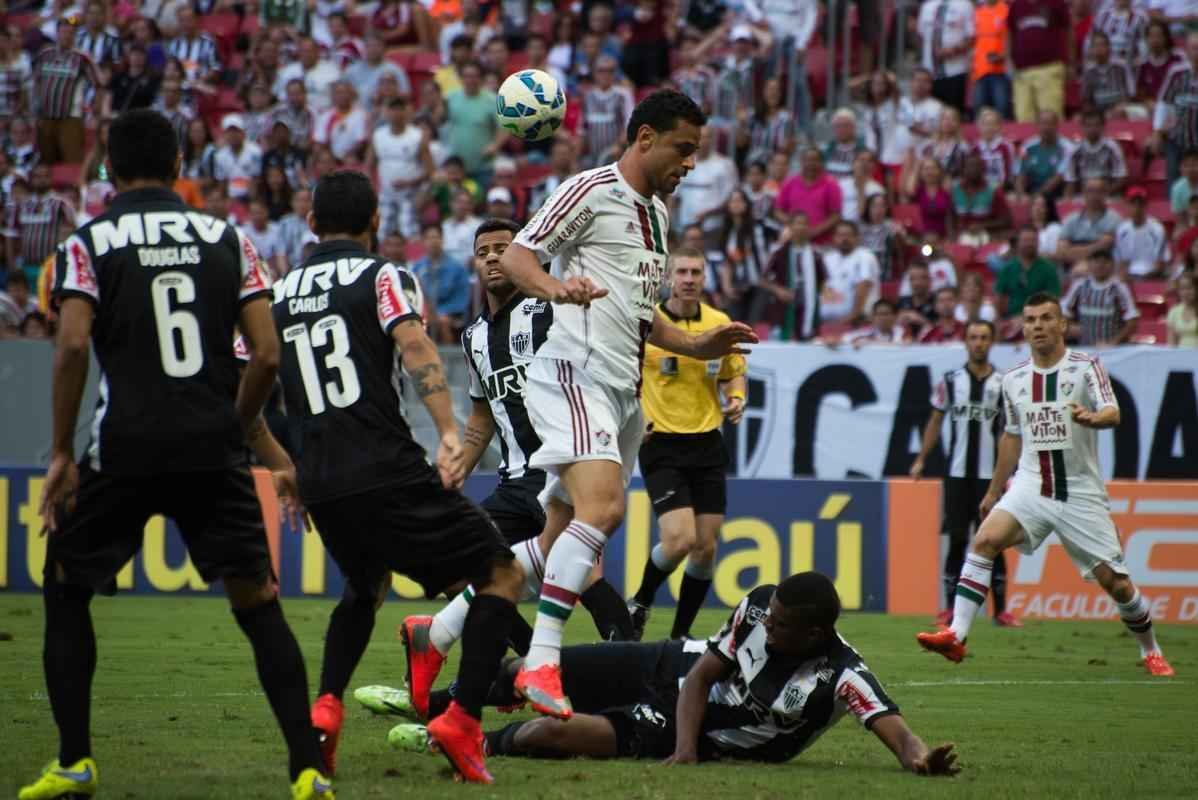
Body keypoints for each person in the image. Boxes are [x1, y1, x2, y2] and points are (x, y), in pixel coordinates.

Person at [22, 109, 333, 800]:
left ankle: (75, 760)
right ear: (176, 168)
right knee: (258, 603)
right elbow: (269, 353)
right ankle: (306, 769)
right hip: (211, 450)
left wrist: (61, 453)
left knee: (68, 589)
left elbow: (72, 345)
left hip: (123, 446)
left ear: (108, 165)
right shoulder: (229, 237)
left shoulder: (89, 241)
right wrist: (234, 422)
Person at [495, 89, 757, 719]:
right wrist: (559, 288)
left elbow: (641, 320)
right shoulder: (590, 189)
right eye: (682, 149)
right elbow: (516, 255)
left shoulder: (658, 217)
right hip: (574, 371)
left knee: (555, 537)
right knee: (605, 509)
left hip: (621, 393)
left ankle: (438, 633)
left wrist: (697, 342)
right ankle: (540, 661)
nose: (690, 163)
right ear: (644, 138)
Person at [271, 170, 525, 785]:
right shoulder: (382, 274)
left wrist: (287, 466)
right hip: (385, 467)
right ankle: (462, 719)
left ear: (311, 223)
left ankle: (328, 704)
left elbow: (257, 382)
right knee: (501, 572)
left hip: (321, 478)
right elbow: (414, 346)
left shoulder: (277, 293)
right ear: (375, 220)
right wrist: (445, 430)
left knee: (363, 586)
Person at [398, 218, 634, 724]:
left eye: (502, 249)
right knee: (468, 567)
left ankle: (628, 668)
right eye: (482, 250)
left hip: (561, 465)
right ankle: (520, 668)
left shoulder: (549, 310)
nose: (490, 258)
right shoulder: (475, 337)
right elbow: (483, 411)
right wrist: (463, 453)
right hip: (513, 480)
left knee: (582, 575)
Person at [387, 573, 960, 776]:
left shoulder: (841, 674)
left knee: (549, 733)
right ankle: (429, 705)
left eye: (783, 625)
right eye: (772, 615)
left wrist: (917, 758)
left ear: (812, 636)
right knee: (535, 672)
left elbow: (896, 729)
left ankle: (471, 742)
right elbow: (704, 672)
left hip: (689, 726)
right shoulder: (762, 603)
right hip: (674, 667)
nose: (770, 624)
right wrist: (685, 749)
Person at [917, 293, 1175, 678]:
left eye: (1045, 318)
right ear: (1023, 327)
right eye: (1030, 319)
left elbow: (1113, 411)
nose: (1037, 325)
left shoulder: (1087, 367)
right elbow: (1011, 436)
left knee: (1117, 585)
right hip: (1032, 483)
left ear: (1062, 325)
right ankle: (956, 634)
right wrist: (993, 491)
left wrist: (1092, 419)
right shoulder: (1015, 379)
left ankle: (1150, 649)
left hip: (1079, 491)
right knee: (985, 541)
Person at [627, 247, 747, 641]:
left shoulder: (719, 323)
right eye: (682, 271)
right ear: (667, 277)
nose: (690, 278)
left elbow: (733, 373)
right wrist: (632, 412)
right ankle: (641, 600)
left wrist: (736, 397)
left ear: (705, 278)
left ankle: (680, 635)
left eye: (697, 271)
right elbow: (623, 372)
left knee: (706, 549)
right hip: (660, 441)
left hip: (707, 443)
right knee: (679, 539)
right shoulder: (649, 321)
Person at [912, 319, 1018, 626]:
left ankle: (1001, 610)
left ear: (992, 341)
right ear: (966, 342)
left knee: (994, 541)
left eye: (984, 337)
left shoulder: (1003, 383)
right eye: (973, 337)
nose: (979, 343)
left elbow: (1011, 432)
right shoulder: (950, 380)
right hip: (957, 476)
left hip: (990, 478)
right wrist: (921, 458)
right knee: (958, 539)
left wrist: (1012, 471)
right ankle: (949, 608)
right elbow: (935, 421)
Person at [32, 14, 102, 165]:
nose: (66, 36)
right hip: (46, 116)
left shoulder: (82, 58)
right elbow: (36, 81)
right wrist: (35, 109)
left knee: (72, 159)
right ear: (57, 33)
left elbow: (98, 85)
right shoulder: (45, 55)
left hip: (70, 117)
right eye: (63, 32)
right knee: (46, 160)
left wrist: (95, 111)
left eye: (71, 33)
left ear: (75, 36)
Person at [369, 97, 431, 239]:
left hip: (409, 195)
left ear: (407, 111)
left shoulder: (417, 136)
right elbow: (369, 166)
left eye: (400, 108)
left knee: (409, 233)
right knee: (380, 233)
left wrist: (409, 183)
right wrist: (373, 190)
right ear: (386, 112)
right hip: (385, 194)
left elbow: (430, 171)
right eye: (393, 109)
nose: (397, 113)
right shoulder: (378, 135)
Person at [4, 162, 76, 284]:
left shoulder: (62, 204)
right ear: (31, 179)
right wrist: (12, 266)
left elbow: (70, 236)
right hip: (26, 266)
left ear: (51, 178)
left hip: (52, 266)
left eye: (45, 176)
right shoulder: (21, 206)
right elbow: (11, 237)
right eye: (37, 176)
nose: (42, 180)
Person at [759, 212, 824, 341]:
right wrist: (778, 290)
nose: (801, 227)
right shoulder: (779, 252)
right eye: (798, 223)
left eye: (804, 224)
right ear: (790, 227)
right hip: (785, 304)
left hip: (807, 303)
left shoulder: (815, 254)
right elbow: (763, 280)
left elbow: (823, 280)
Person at [1007, 0, 1071, 122]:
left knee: (1051, 117)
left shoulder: (1056, 3)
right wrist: (1008, 60)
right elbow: (1010, 32)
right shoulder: (1017, 5)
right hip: (1022, 71)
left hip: (1049, 67)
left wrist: (1070, 62)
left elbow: (1068, 30)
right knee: (1023, 119)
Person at [1062, 249, 1140, 345]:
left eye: (1104, 262)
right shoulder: (1079, 286)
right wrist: (1069, 327)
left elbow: (1132, 320)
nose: (1100, 265)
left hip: (1112, 350)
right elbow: (1064, 312)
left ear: (1112, 265)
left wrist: (1114, 342)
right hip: (1084, 349)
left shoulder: (1119, 288)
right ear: (1089, 264)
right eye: (1096, 261)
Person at [1150, 31, 1198, 185]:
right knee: (1173, 181)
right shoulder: (1177, 72)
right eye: (1194, 48)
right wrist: (1157, 132)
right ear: (1187, 50)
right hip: (1177, 137)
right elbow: (1164, 102)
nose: (1196, 52)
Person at [917, 0, 976, 114]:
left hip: (955, 72)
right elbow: (921, 35)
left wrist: (953, 50)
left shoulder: (964, 5)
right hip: (930, 74)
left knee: (954, 115)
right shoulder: (927, 6)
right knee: (931, 115)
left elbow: (972, 37)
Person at [775, 147, 843, 244]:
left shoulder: (831, 184)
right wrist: (794, 225)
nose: (811, 164)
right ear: (801, 162)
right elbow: (778, 211)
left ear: (821, 163)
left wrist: (814, 231)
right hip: (793, 240)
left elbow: (835, 216)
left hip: (821, 243)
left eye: (815, 160)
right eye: (807, 160)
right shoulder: (789, 182)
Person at [820, 220, 881, 325]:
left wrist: (850, 318)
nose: (844, 239)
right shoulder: (828, 258)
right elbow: (821, 289)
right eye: (840, 235)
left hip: (856, 321)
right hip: (825, 322)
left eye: (849, 235)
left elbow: (863, 287)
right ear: (834, 238)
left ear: (857, 238)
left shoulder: (865, 257)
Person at [996, 226, 1062, 319]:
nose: (1029, 244)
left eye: (1033, 240)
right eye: (1026, 240)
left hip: (1041, 319)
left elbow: (1053, 301)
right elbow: (999, 300)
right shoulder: (1007, 269)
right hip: (1012, 320)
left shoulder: (1048, 268)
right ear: (1018, 243)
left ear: (1038, 243)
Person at [1062, 109, 1128, 197]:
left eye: (1097, 125)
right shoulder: (1075, 149)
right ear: (1082, 127)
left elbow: (1121, 177)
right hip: (1083, 194)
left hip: (1108, 194)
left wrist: (1104, 193)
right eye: (1088, 125)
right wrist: (1068, 200)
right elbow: (1070, 180)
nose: (1092, 129)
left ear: (1103, 126)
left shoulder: (1112, 147)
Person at [1058, 178, 1124, 263]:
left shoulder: (1115, 219)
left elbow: (1106, 250)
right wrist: (1096, 246)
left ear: (1105, 194)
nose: (1094, 195)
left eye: (1099, 191)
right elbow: (1061, 252)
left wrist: (1074, 250)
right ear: (1084, 194)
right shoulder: (1071, 219)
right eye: (1090, 191)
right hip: (1072, 268)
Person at [1116, 185, 1171, 278]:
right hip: (1129, 276)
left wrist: (1148, 277)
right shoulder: (1121, 230)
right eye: (1133, 203)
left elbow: (1161, 262)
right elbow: (1121, 262)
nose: (1137, 208)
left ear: (1146, 206)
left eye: (1140, 204)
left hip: (1152, 276)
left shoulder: (1157, 229)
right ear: (1127, 205)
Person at [1015, 111, 1071, 200]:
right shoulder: (1027, 146)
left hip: (1056, 192)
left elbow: (1059, 177)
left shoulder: (1066, 147)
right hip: (1031, 190)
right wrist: (1022, 196)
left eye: (1050, 124)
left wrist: (1037, 197)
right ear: (1036, 125)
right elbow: (1020, 175)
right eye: (1042, 123)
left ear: (1057, 126)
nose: (1046, 127)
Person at [973, 0, 1013, 120]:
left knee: (1002, 109)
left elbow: (1012, 37)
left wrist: (1003, 55)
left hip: (1000, 71)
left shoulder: (1007, 11)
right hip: (980, 70)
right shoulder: (978, 12)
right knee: (979, 110)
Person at [841, 298, 908, 345]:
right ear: (873, 317)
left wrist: (869, 343)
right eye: (879, 314)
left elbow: (906, 344)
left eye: (886, 314)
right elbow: (843, 339)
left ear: (895, 316)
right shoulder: (867, 332)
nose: (882, 318)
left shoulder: (902, 332)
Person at [1166, 271, 1197, 345]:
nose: (1185, 293)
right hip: (1180, 356)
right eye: (1182, 289)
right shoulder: (1174, 311)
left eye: (1189, 288)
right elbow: (1171, 343)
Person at [1170, 148, 1198, 215]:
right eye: (1186, 165)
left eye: (1194, 165)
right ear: (1180, 168)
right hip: (1187, 222)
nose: (1191, 169)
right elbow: (1179, 217)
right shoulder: (1177, 188)